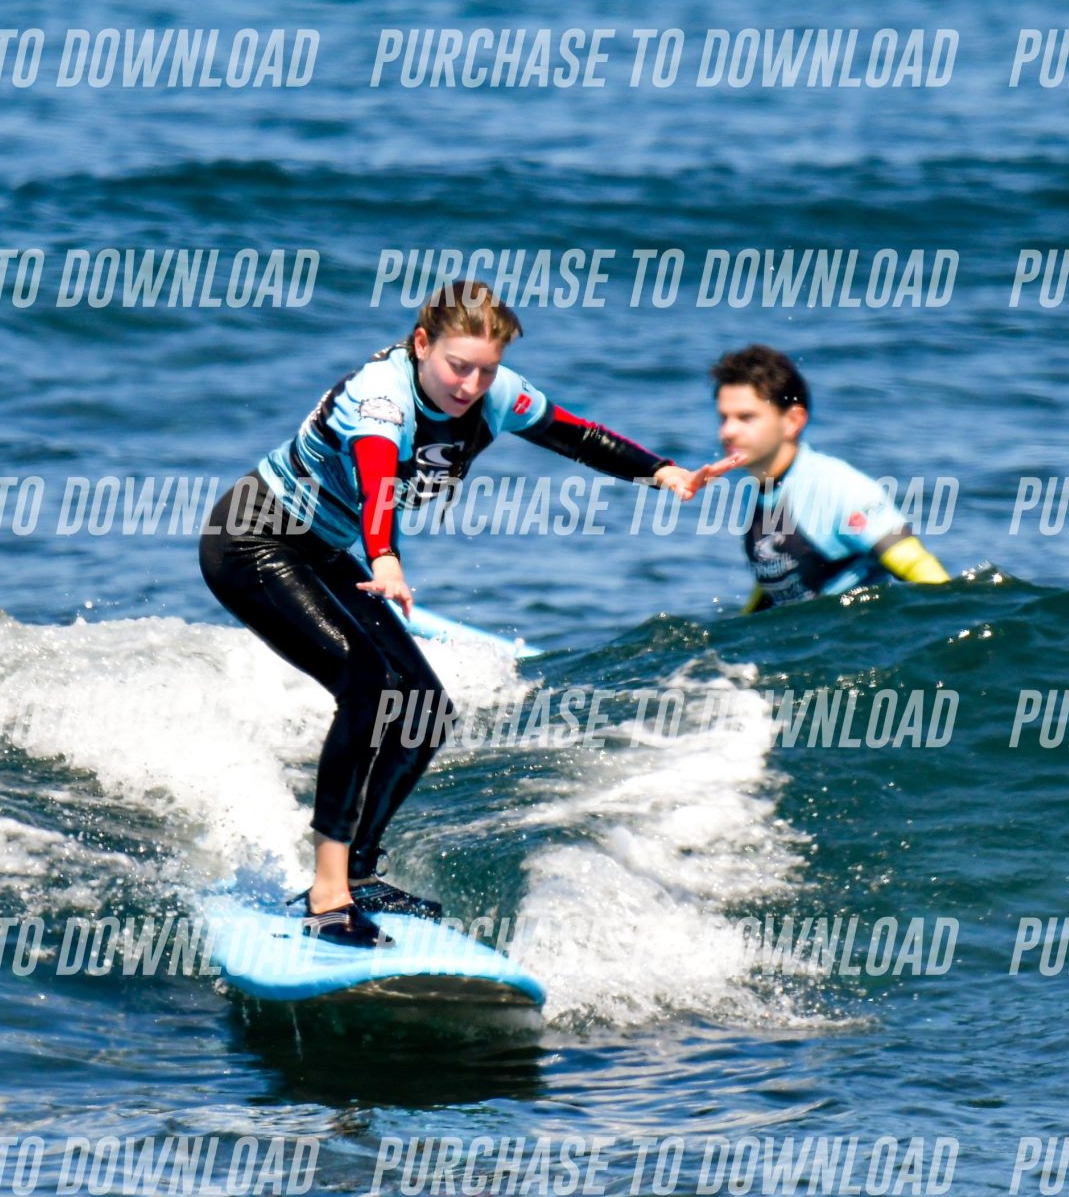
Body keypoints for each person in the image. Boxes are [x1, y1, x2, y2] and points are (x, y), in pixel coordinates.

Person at [201, 284, 731, 946]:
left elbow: (575, 434)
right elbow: (377, 480)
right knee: (365, 684)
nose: (471, 385)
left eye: (485, 370)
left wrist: (663, 473)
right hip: (253, 540)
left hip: (325, 549)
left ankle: (359, 872)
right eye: (458, 367)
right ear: (422, 344)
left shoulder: (493, 392)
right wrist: (384, 556)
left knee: (425, 707)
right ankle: (328, 893)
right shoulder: (381, 398)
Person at [711, 345, 948, 612]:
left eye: (745, 417)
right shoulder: (758, 492)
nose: (727, 431)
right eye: (723, 418)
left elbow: (917, 566)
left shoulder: (836, 487)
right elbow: (782, 581)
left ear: (793, 421)